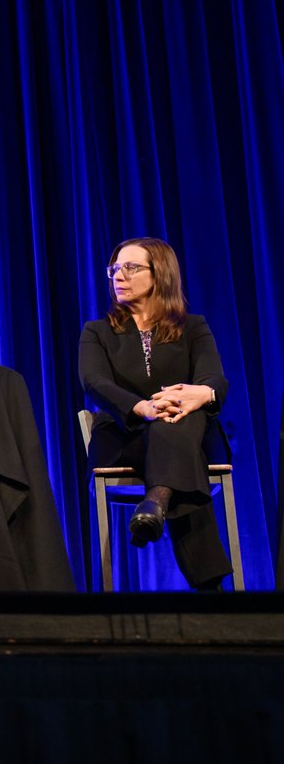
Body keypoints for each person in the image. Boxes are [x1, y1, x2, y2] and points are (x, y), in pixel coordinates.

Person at [79, 237, 232, 590]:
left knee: (183, 416)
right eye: (114, 269)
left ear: (159, 274)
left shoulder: (193, 327)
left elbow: (214, 379)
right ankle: (212, 591)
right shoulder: (97, 331)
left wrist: (200, 394)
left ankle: (156, 501)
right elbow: (93, 381)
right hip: (125, 439)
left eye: (130, 268)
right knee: (179, 438)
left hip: (184, 435)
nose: (119, 275)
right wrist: (144, 407)